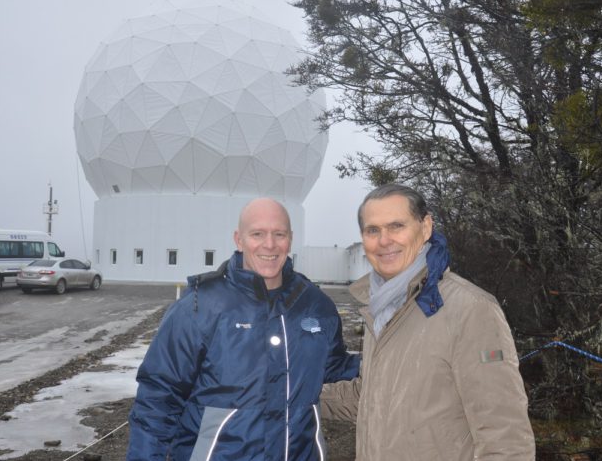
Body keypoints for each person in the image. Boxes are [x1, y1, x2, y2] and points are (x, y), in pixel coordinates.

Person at [126, 197, 360, 461]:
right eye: (257, 234)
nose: (269, 244)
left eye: (279, 234)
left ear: (290, 239)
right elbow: (158, 399)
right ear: (239, 239)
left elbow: (333, 369)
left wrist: (390, 359)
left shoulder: (316, 305)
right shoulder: (199, 306)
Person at [321, 184, 535, 460]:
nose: (384, 240)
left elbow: (506, 437)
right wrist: (291, 391)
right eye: (372, 230)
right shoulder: (380, 307)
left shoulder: (470, 310)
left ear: (425, 228)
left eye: (396, 226)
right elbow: (372, 396)